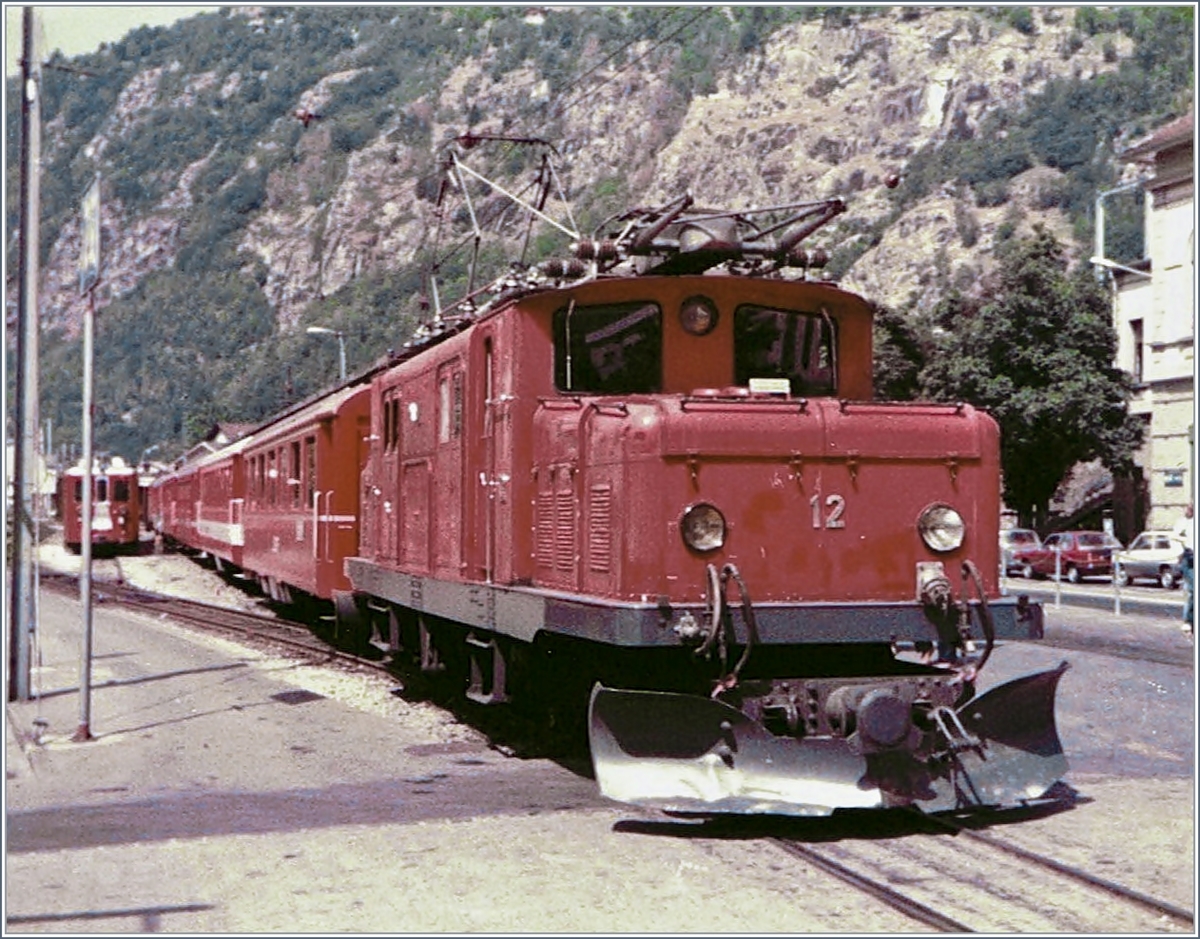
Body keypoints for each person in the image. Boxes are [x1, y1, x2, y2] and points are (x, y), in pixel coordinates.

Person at [1171, 503, 1194, 633]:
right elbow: (1174, 536)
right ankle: (1188, 621)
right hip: (1190, 558)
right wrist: (1185, 541)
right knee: (1194, 590)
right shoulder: (1184, 522)